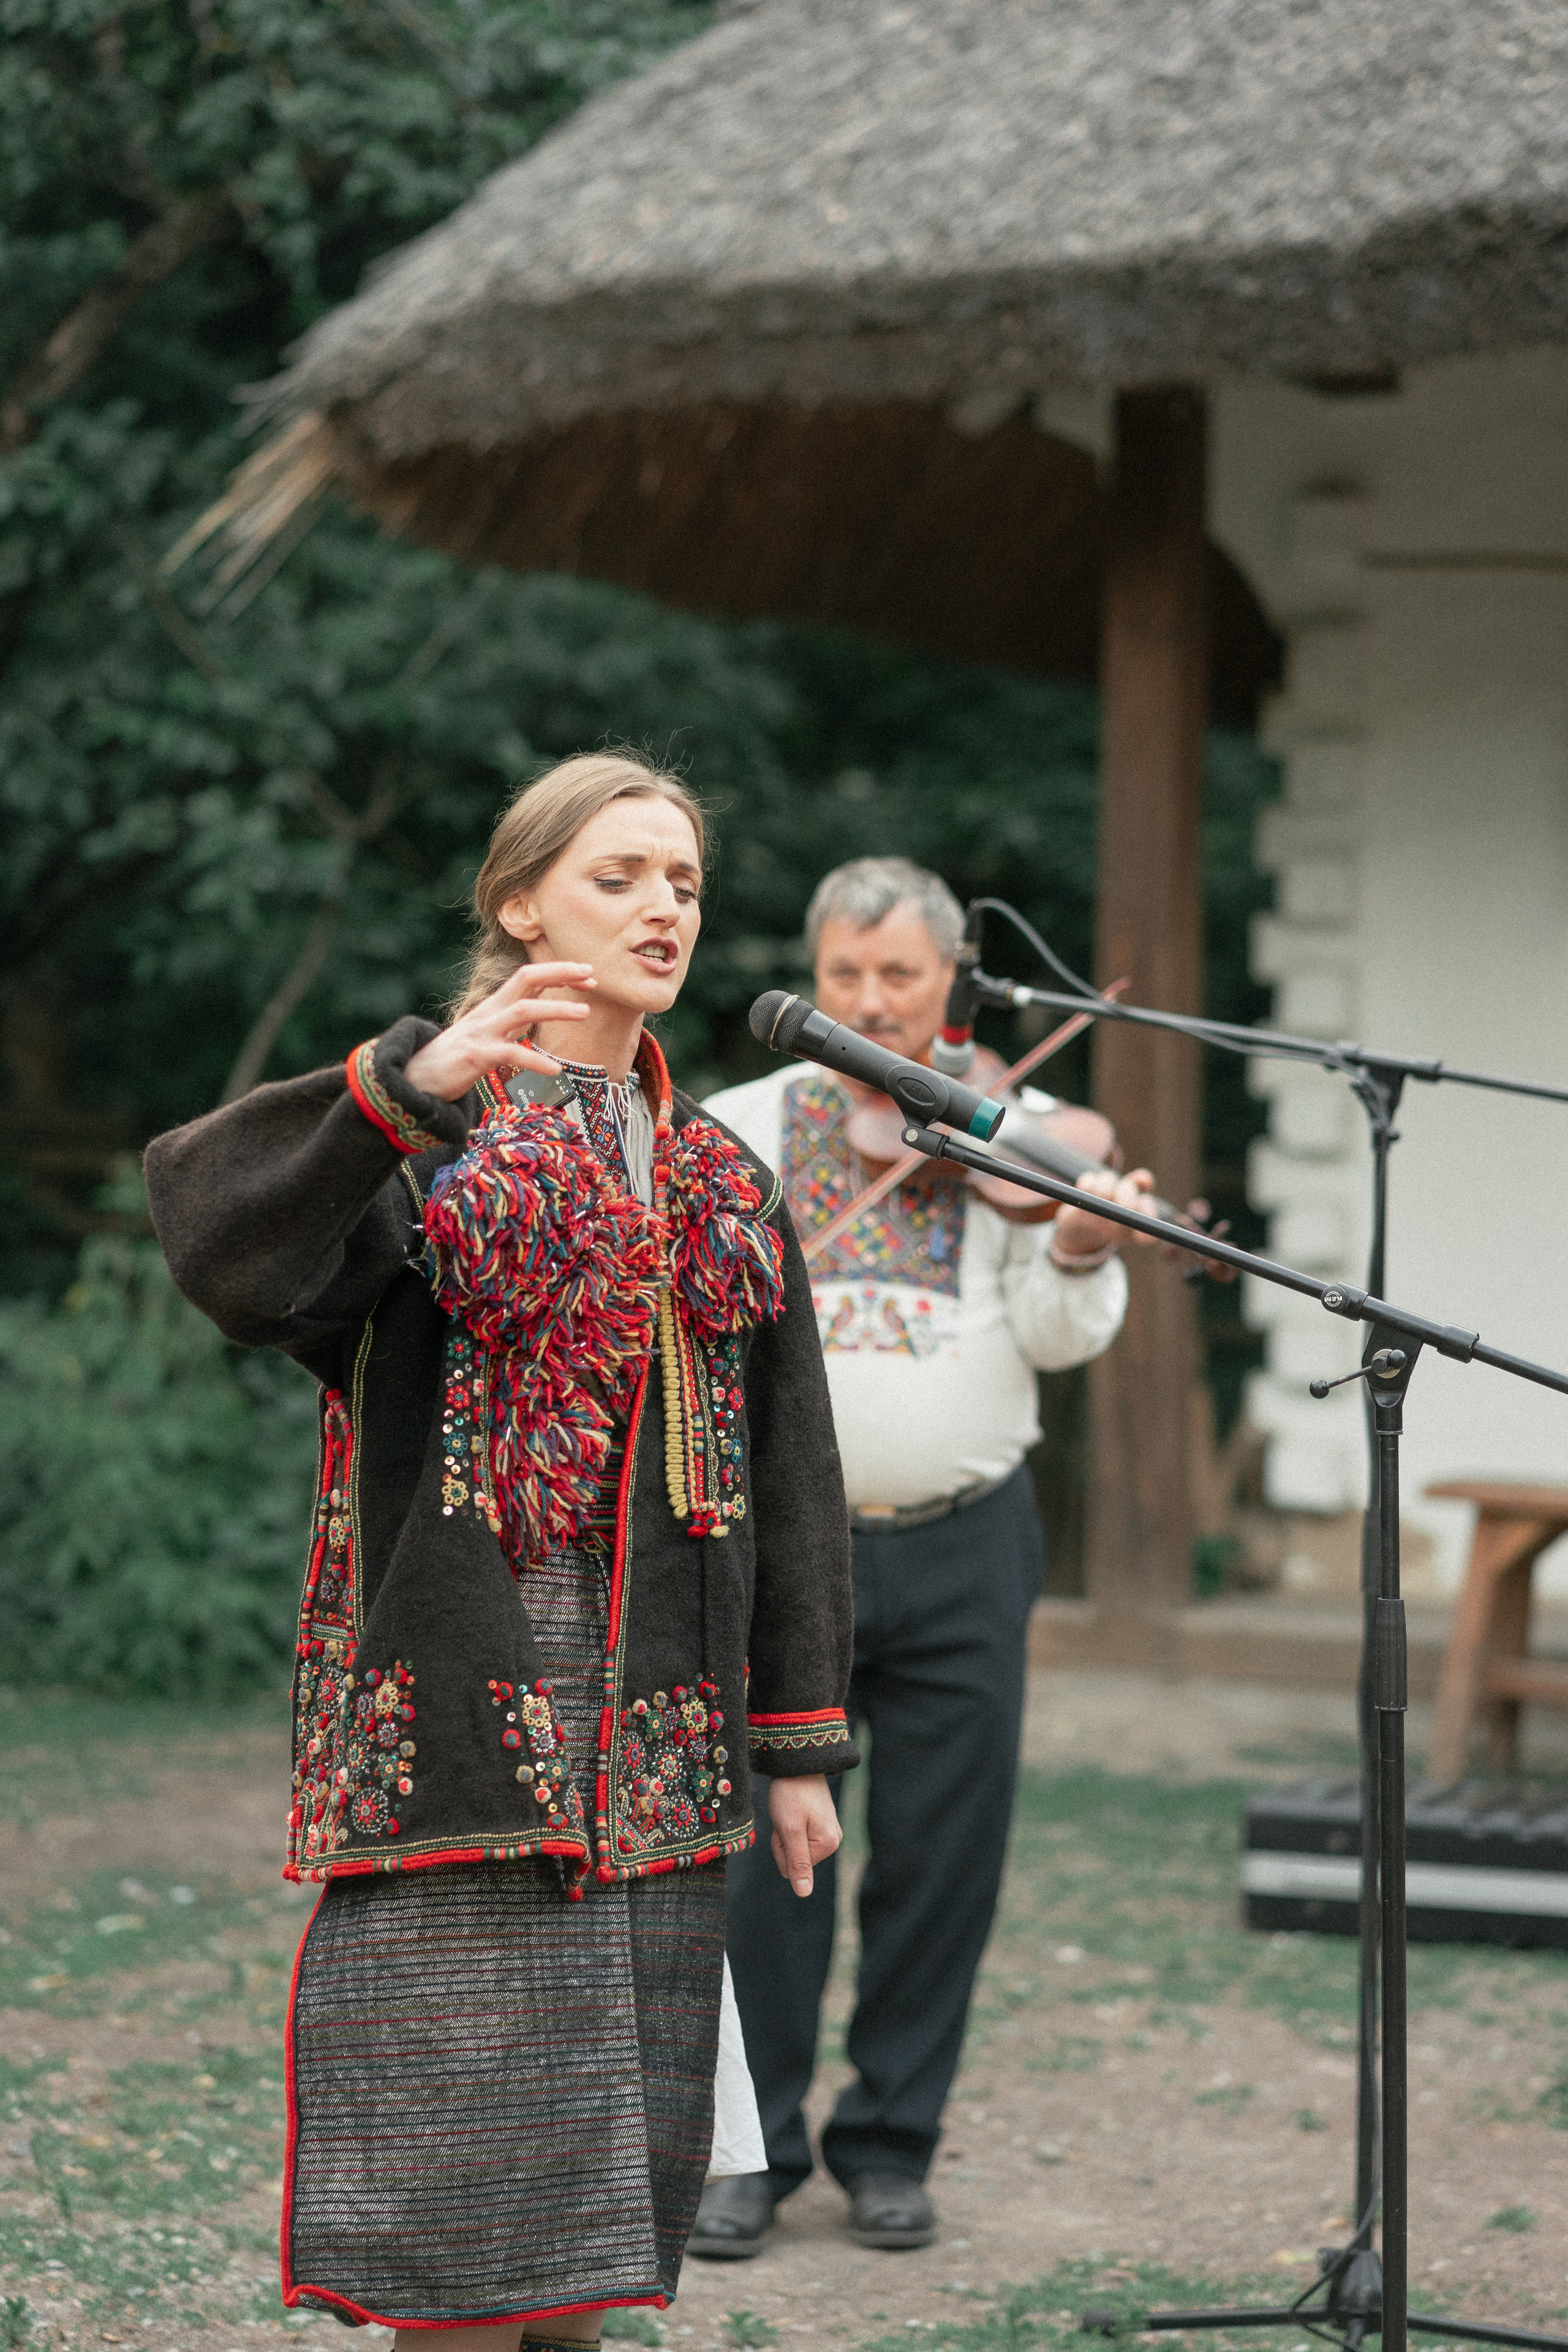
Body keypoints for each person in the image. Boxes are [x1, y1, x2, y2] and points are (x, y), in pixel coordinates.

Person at [144, 755, 858, 2347]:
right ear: (521, 899)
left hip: (654, 1766)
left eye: (682, 878)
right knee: (459, 2258)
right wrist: (399, 1089)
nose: (666, 904)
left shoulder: (721, 1183)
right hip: (460, 1752)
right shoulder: (423, 1147)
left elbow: (792, 1473)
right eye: (622, 875)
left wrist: (799, 1738)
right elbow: (214, 1238)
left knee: (591, 2257)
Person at [691, 856, 1156, 2258]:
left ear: (952, 981)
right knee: (764, 1871)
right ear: (812, 976)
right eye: (843, 975)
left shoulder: (1011, 1129)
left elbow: (1064, 1340)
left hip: (965, 1544)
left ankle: (890, 2144)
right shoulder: (738, 1126)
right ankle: (746, 2154)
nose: (869, 1003)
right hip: (784, 1555)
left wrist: (1077, 1249)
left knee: (941, 1860)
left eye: (897, 977)